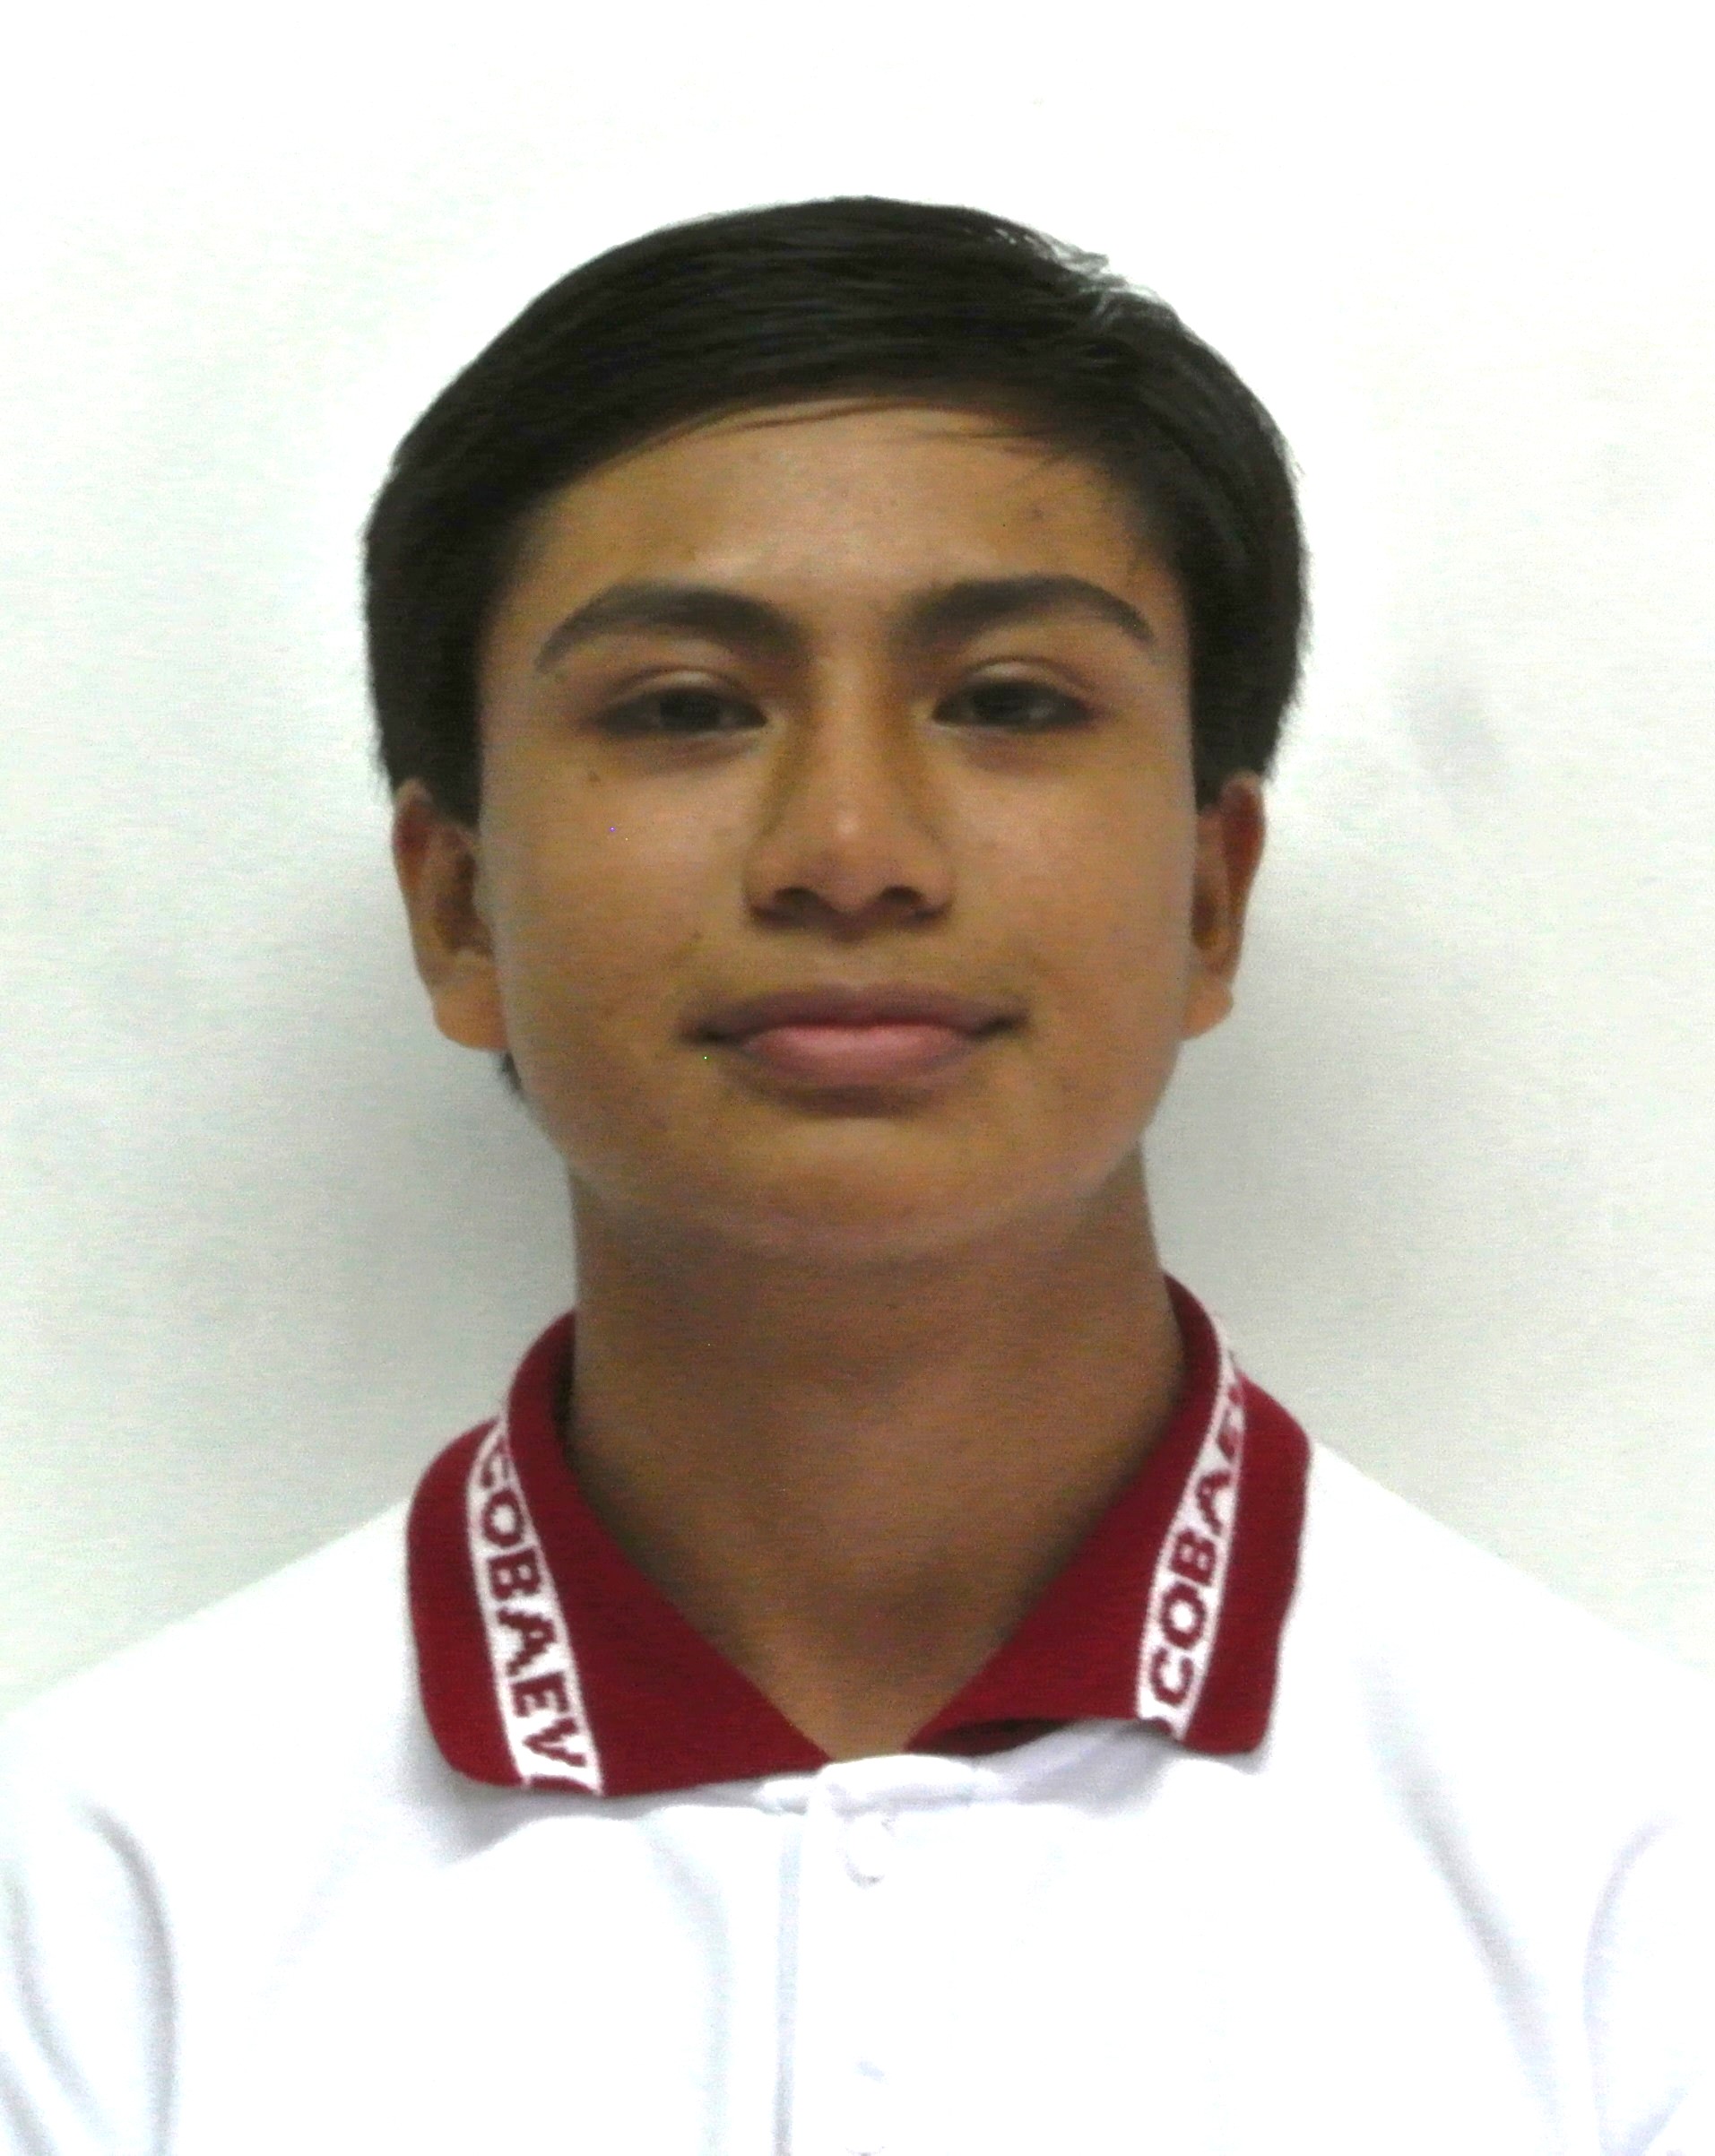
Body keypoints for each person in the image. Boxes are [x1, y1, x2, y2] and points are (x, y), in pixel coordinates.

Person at [1, 194, 1710, 2156]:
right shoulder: (97, 1910)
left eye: (1008, 702)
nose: (848, 852)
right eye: (684, 708)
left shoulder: (1630, 1884)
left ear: (1209, 895)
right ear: (459, 905)